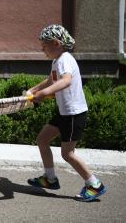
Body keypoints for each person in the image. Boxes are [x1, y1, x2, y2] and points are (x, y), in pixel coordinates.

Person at [26, 24, 107, 202]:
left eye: (44, 46)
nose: (42, 50)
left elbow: (66, 81)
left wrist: (43, 94)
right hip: (64, 112)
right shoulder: (57, 61)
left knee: (67, 153)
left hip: (73, 113)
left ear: (56, 43)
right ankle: (50, 179)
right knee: (42, 139)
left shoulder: (65, 59)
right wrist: (33, 90)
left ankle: (94, 185)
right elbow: (50, 80)